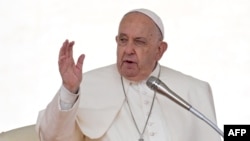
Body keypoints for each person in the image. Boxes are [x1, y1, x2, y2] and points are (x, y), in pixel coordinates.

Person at [36, 8, 221, 141]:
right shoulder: (87, 85)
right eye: (123, 40)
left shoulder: (192, 90)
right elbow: (50, 137)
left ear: (159, 50)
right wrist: (69, 90)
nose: (128, 50)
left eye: (139, 42)